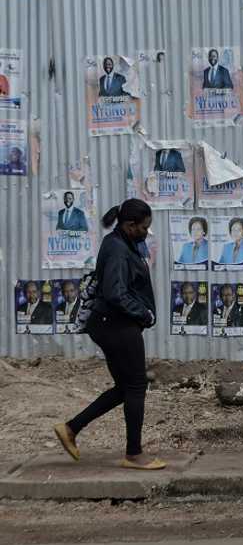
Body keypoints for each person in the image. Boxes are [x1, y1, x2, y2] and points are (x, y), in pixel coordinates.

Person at [54, 199, 164, 470]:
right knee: (136, 386)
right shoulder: (117, 249)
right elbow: (115, 293)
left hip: (112, 323)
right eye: (144, 227)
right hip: (117, 325)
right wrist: (143, 314)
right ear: (129, 225)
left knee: (125, 388)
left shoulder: (122, 243)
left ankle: (70, 428)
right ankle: (134, 454)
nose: (146, 232)